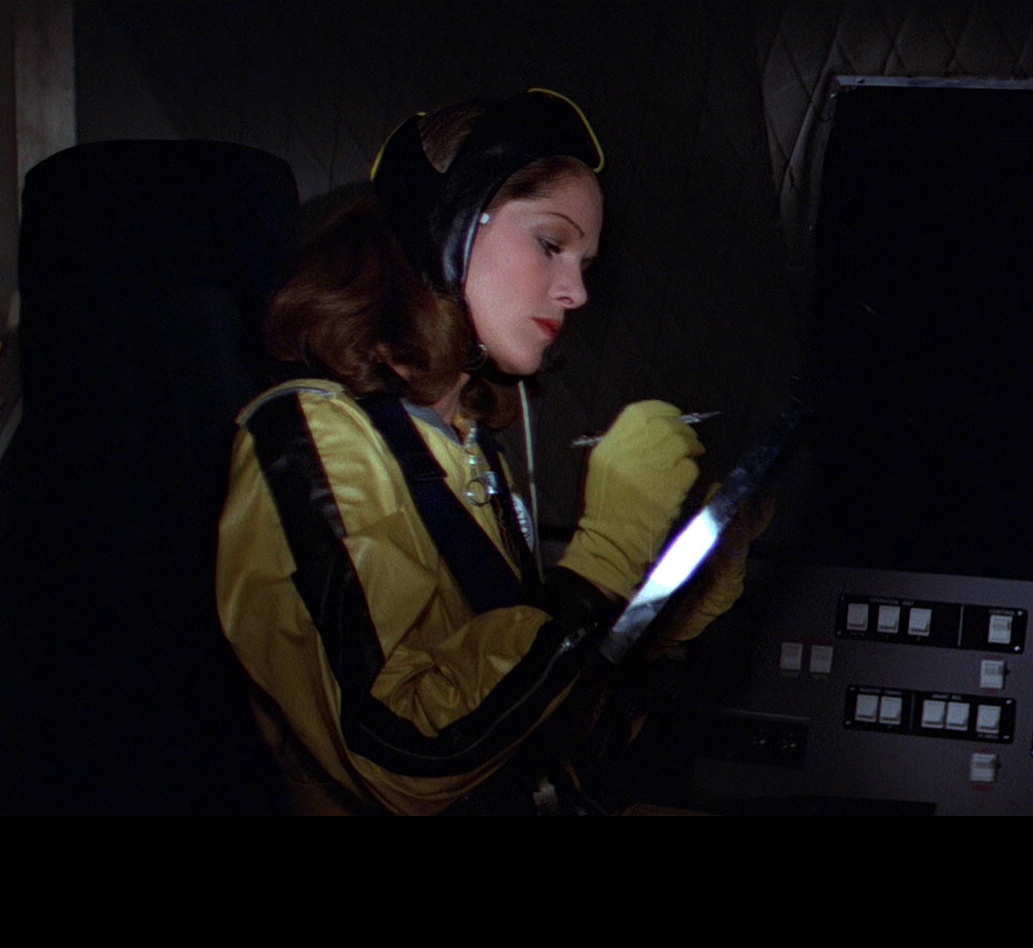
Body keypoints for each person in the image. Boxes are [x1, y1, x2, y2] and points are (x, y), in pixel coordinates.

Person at [216, 89, 728, 814]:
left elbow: (529, 722)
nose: (576, 291)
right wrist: (606, 556)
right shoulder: (308, 440)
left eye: (584, 262)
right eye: (550, 244)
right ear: (449, 229)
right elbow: (406, 753)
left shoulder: (465, 446)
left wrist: (681, 578)